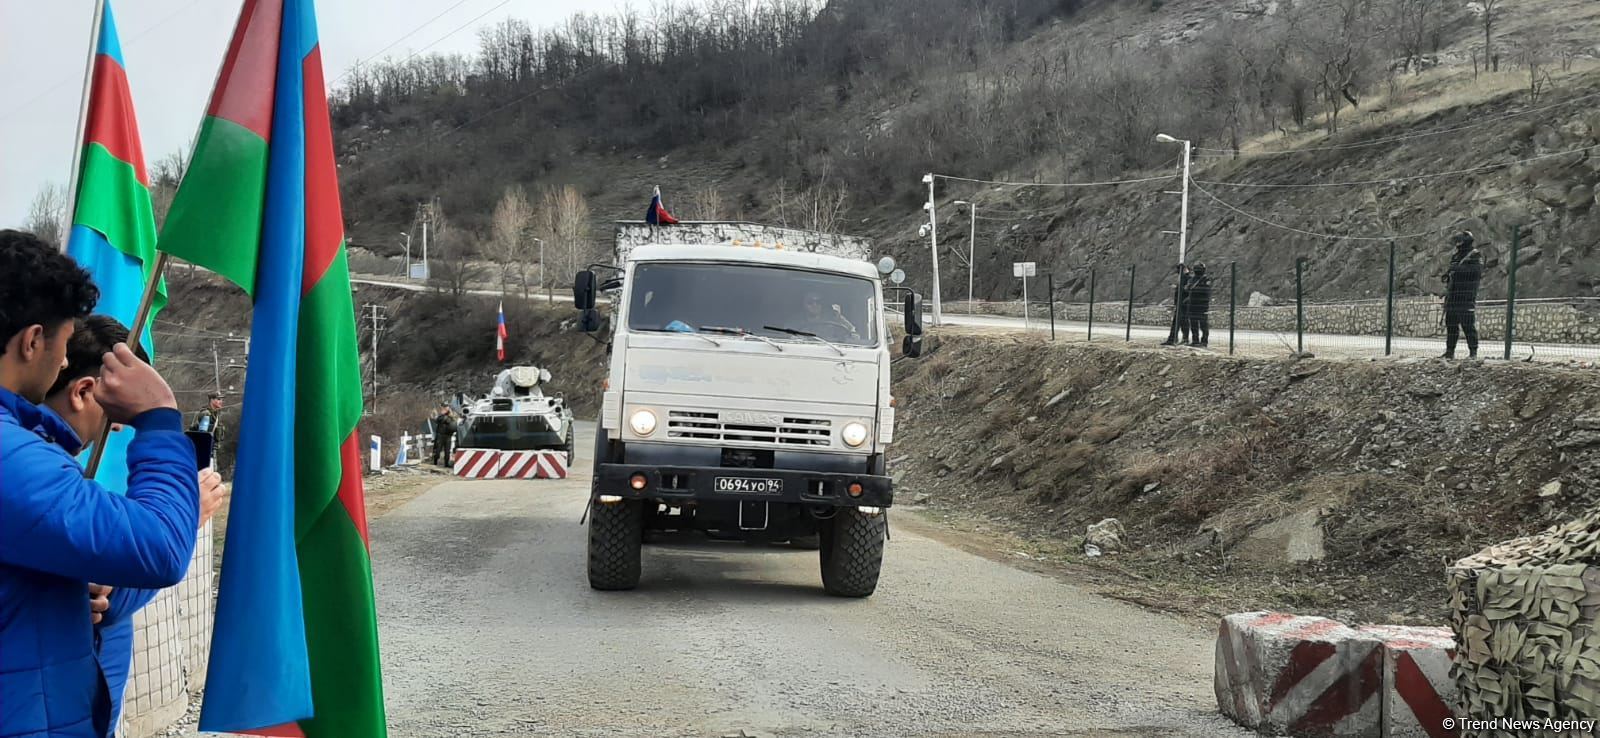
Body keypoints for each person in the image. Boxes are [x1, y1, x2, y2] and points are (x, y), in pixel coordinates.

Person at [0, 229, 200, 738]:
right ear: (32, 341)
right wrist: (157, 418)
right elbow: (159, 547)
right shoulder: (10, 457)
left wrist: (60, 590)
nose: (64, 362)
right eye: (64, 345)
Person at [40, 314, 226, 734]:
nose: (119, 426)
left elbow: (104, 594)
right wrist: (185, 517)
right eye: (116, 412)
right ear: (84, 391)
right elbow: (130, 583)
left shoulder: (48, 474)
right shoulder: (39, 478)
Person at [1441, 231, 1484, 359]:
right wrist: (1447, 275)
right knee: (1451, 325)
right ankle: (1450, 352)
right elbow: (1452, 270)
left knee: (1468, 325)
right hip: (1453, 296)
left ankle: (1473, 352)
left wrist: (1457, 270)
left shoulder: (1475, 255)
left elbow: (1475, 272)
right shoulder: (1455, 256)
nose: (1457, 244)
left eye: (1459, 241)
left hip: (1466, 295)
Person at [1161, 264, 1192, 346]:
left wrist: (1178, 288)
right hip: (1180, 303)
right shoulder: (1183, 278)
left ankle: (1175, 339)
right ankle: (1177, 338)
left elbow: (1187, 290)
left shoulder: (1188, 278)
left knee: (1181, 322)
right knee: (1181, 322)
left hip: (1183, 304)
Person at [1184, 263, 1213, 347]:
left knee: (1203, 325)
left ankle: (1204, 341)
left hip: (1202, 305)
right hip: (1193, 305)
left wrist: (1194, 289)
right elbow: (1186, 289)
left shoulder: (1206, 279)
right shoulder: (1192, 279)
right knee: (1194, 324)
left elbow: (1205, 290)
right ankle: (1195, 340)